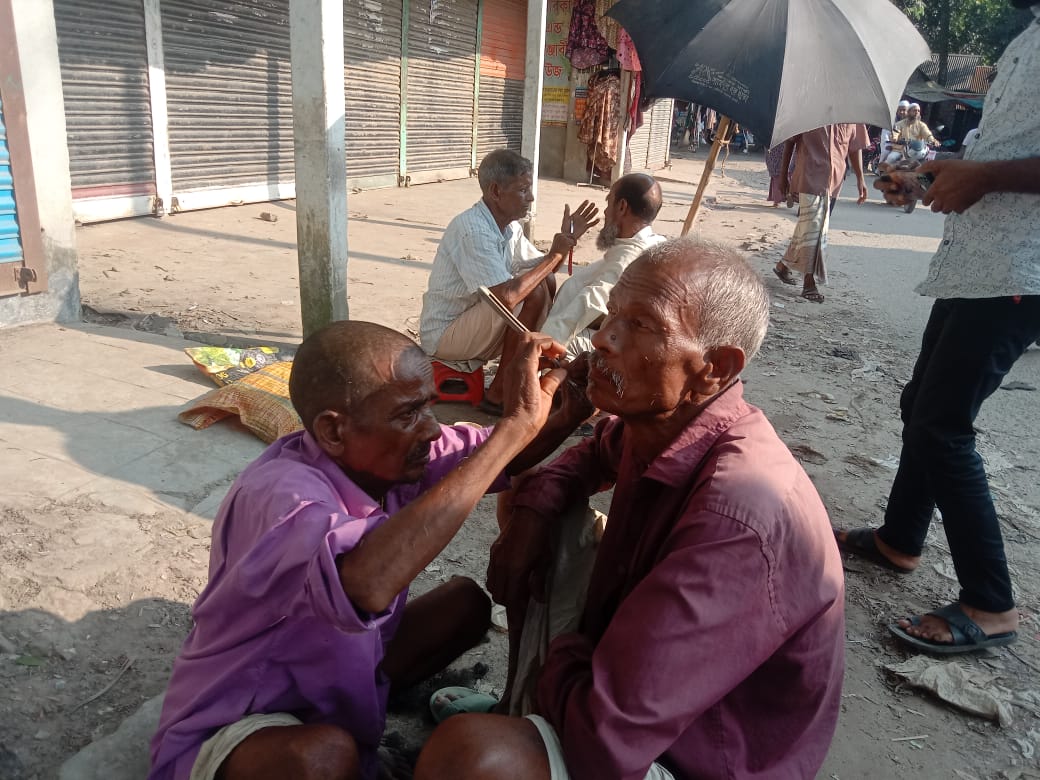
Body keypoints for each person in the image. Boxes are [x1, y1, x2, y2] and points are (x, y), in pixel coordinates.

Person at [415, 238, 846, 780]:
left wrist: (566, 653)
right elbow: (584, 458)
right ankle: (523, 707)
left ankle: (535, 712)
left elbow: (607, 738)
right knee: (531, 490)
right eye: (611, 313)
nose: (602, 340)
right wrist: (529, 519)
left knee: (473, 759)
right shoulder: (662, 426)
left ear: (714, 367)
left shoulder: (737, 520)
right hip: (639, 697)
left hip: (695, 756)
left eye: (640, 325)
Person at [148, 320, 590, 780]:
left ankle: (359, 714)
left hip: (336, 664)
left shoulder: (384, 460)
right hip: (249, 709)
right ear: (334, 432)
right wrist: (513, 429)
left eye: (429, 408)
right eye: (408, 414)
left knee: (464, 604)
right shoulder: (282, 493)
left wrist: (568, 409)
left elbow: (495, 456)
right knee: (323, 757)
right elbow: (366, 585)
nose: (432, 431)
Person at [838, 0, 1040, 655]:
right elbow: (1008, 144)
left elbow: (1003, 167)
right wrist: (942, 164)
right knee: (919, 406)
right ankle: (901, 539)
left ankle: (990, 604)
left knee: (942, 427)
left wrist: (984, 176)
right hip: (973, 260)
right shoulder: (1027, 34)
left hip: (1018, 269)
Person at [419, 149, 599, 415]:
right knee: (534, 292)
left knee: (544, 281)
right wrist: (555, 254)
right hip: (445, 334)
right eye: (523, 190)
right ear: (495, 191)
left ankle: (515, 378)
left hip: (473, 322)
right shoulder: (472, 229)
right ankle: (500, 392)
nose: (531, 197)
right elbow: (505, 298)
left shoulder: (510, 227)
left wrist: (565, 240)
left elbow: (544, 268)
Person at [538, 173, 665, 357]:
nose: (605, 213)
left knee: (561, 345)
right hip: (623, 337)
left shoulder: (632, 257)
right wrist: (567, 241)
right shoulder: (647, 245)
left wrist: (544, 343)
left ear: (622, 207)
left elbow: (589, 302)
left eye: (608, 203)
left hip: (628, 349)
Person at [773, 123, 869, 303]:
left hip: (834, 180)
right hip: (809, 174)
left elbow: (855, 148)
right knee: (815, 227)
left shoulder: (853, 113)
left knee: (808, 226)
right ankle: (808, 282)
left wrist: (860, 179)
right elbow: (790, 143)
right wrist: (783, 175)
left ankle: (783, 265)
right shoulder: (809, 107)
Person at [878, 100, 910, 167]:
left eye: (904, 110)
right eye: (900, 110)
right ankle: (881, 169)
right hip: (892, 143)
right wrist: (891, 141)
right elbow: (888, 134)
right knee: (887, 153)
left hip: (908, 147)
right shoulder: (892, 121)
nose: (902, 112)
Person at [765, 140, 796, 206]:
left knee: (776, 175)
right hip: (784, 145)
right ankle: (789, 193)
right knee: (786, 173)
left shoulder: (769, 134)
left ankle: (777, 200)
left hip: (772, 147)